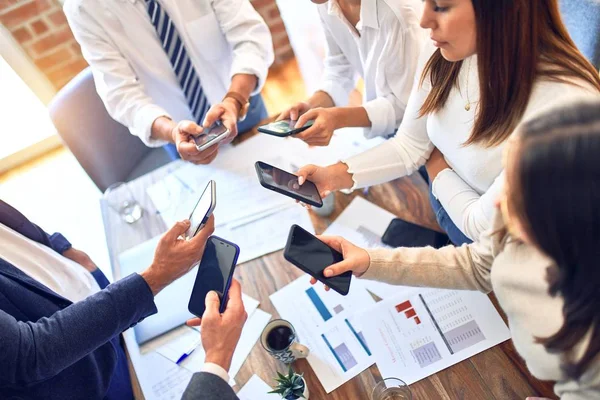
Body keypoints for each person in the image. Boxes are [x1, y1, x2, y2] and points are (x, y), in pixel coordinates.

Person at [311, 101, 600, 399]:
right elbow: (476, 264)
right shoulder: (516, 221)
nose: (497, 204)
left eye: (517, 193)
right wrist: (370, 261)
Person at [296, 0, 600, 245]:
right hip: (448, 210)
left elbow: (482, 227)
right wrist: (331, 177)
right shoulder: (448, 48)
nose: (424, 18)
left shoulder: (563, 107)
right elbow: (410, 145)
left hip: (497, 251)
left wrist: (437, 168)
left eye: (440, 6)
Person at [0, 201, 246, 399]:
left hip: (99, 314)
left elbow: (16, 226)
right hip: (78, 375)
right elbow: (27, 354)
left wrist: (65, 249)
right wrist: (217, 359)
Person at [64, 0, 274, 164]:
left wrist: (234, 99)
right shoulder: (83, 8)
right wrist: (172, 132)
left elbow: (249, 37)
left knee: (271, 172)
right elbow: (121, 94)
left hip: (240, 103)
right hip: (176, 132)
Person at [277, 0, 424, 145]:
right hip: (385, 132)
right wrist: (311, 106)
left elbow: (409, 106)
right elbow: (340, 65)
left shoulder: (400, 14)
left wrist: (338, 118)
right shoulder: (326, 4)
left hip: (425, 138)